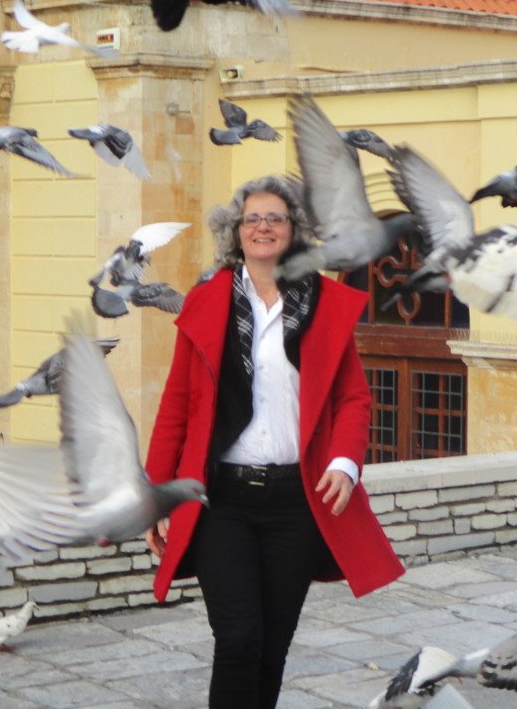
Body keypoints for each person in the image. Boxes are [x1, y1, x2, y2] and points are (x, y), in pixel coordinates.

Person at [144, 176, 405, 709]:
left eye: (275, 218)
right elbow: (176, 406)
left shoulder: (326, 304)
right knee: (238, 640)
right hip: (223, 501)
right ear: (236, 234)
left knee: (271, 648)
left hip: (297, 502)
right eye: (252, 219)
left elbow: (354, 398)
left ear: (294, 232)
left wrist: (344, 462)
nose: (263, 226)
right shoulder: (205, 302)